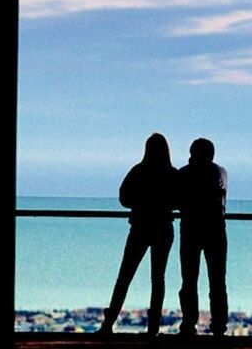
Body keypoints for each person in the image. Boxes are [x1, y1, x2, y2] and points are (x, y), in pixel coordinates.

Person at [96, 133, 178, 338]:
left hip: (140, 227)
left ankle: (109, 322)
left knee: (125, 275)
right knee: (158, 278)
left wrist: (141, 204)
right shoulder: (172, 174)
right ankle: (153, 327)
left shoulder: (138, 171)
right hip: (164, 228)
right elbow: (180, 200)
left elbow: (124, 198)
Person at [177, 138, 228, 337]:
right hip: (216, 228)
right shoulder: (220, 172)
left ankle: (189, 323)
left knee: (189, 280)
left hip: (190, 229)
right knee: (217, 281)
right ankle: (219, 325)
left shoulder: (184, 174)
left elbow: (178, 199)